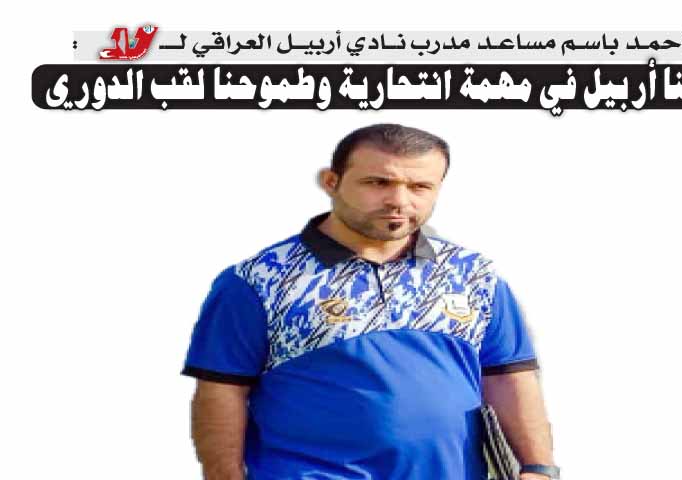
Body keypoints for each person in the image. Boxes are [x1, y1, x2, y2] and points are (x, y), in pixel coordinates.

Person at [181, 123, 558, 480]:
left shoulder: (474, 275)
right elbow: (222, 389)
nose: (399, 201)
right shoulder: (260, 279)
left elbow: (508, 376)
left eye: (419, 186)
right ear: (331, 182)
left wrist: (539, 467)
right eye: (378, 182)